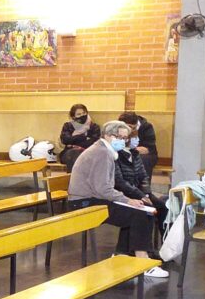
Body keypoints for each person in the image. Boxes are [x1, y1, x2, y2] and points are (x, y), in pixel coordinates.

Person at [68, 120, 168, 278]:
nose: (122, 141)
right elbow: (102, 188)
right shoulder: (101, 153)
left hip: (93, 197)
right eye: (118, 137)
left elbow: (104, 188)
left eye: (125, 138)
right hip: (83, 202)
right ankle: (143, 262)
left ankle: (122, 254)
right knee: (139, 213)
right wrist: (127, 200)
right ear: (107, 135)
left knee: (142, 211)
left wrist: (129, 200)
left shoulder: (105, 151)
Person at [114, 139, 168, 229]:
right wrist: (140, 195)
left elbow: (143, 176)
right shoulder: (116, 155)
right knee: (145, 211)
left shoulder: (135, 154)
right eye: (135, 137)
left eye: (138, 137)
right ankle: (135, 243)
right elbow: (120, 182)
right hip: (125, 193)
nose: (138, 140)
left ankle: (165, 240)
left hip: (139, 191)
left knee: (163, 207)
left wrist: (146, 193)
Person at [118, 112, 158, 183]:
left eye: (132, 127)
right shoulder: (118, 127)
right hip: (125, 152)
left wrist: (131, 149)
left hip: (146, 155)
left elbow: (148, 148)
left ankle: (144, 187)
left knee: (141, 159)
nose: (130, 129)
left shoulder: (146, 127)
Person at [59, 104, 101, 171]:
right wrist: (84, 137)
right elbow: (65, 140)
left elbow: (92, 142)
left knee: (81, 155)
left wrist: (73, 141)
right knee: (74, 154)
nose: (82, 116)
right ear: (73, 116)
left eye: (84, 113)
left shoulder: (94, 127)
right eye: (78, 114)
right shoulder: (68, 126)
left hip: (89, 152)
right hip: (69, 153)